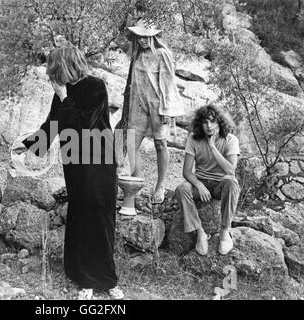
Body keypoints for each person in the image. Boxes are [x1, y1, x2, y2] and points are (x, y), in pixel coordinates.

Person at [12, 45, 123, 300]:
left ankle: (107, 278)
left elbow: (85, 124)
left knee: (102, 216)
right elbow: (52, 125)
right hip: (75, 162)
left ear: (64, 67)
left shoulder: (96, 86)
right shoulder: (61, 95)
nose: (51, 77)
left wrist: (64, 97)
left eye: (54, 70)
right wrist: (28, 144)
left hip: (100, 159)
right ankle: (84, 278)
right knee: (82, 216)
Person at [124, 19, 185, 204]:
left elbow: (168, 82)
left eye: (145, 36)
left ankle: (160, 185)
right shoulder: (136, 54)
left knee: (160, 144)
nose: (142, 40)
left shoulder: (162, 53)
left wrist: (167, 109)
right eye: (139, 36)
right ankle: (136, 181)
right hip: (138, 105)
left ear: (153, 36)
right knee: (132, 144)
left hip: (157, 106)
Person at [175, 104, 240, 256]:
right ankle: (200, 233)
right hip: (201, 183)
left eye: (212, 121)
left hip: (220, 185)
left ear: (220, 122)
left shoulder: (231, 140)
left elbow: (230, 170)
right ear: (200, 124)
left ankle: (224, 231)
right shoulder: (193, 139)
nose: (209, 126)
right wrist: (198, 184)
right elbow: (186, 171)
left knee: (231, 182)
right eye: (205, 122)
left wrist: (212, 147)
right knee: (182, 189)